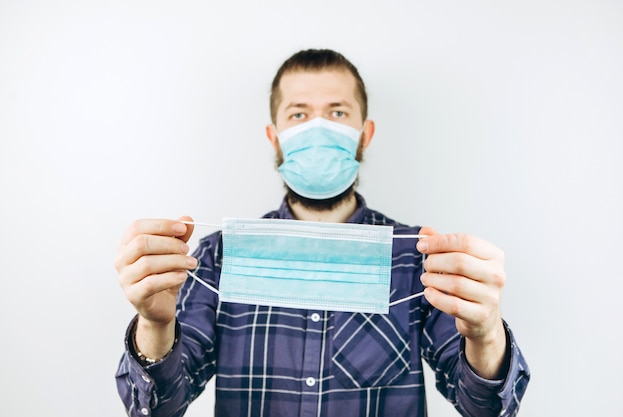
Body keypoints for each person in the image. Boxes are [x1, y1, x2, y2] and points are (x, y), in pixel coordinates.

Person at [115, 49, 529, 417]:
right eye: (298, 114)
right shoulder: (219, 257)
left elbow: (488, 407)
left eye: (337, 112)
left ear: (363, 134)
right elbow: (157, 407)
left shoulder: (417, 258)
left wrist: (485, 331)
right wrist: (154, 323)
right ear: (274, 137)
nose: (318, 128)